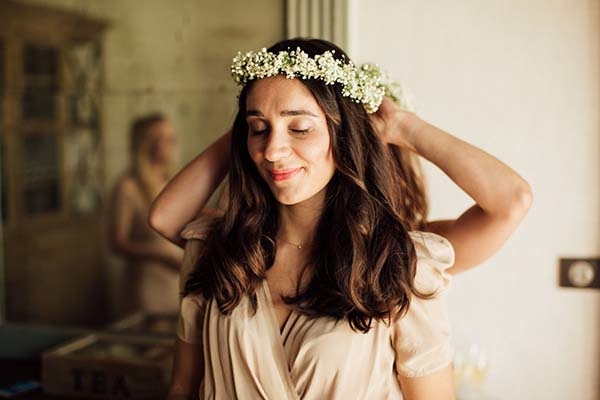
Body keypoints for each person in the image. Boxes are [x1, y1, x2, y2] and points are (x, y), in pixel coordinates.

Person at [150, 38, 532, 399]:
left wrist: (402, 126)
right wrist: (256, 119)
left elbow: (513, 199)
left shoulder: (397, 263)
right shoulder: (222, 250)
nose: (272, 151)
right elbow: (183, 390)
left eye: (300, 127)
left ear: (343, 134)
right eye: (258, 130)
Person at [109, 113, 183, 315]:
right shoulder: (128, 187)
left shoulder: (172, 183)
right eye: (161, 138)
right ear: (144, 143)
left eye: (171, 137)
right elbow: (117, 243)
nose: (170, 144)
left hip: (177, 284)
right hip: (147, 288)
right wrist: (161, 256)